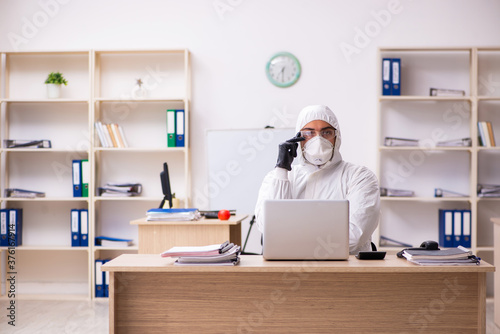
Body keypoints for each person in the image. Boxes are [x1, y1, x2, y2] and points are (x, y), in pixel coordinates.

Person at [255, 105, 380, 254]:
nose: (318, 140)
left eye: (326, 132)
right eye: (309, 133)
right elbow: (268, 228)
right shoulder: (278, 177)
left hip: (346, 271)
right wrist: (282, 169)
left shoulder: (360, 177)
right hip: (289, 268)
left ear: (336, 137)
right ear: (298, 138)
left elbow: (354, 236)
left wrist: (292, 238)